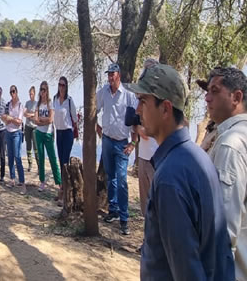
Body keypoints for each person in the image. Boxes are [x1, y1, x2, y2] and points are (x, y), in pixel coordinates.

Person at [125, 64, 235, 281]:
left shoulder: (170, 177)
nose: (137, 110)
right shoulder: (197, 157)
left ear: (165, 108)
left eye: (143, 101)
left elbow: (186, 267)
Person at [205, 67, 247, 281]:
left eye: (214, 91)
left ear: (236, 97)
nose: (207, 98)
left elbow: (223, 226)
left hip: (227, 272)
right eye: (207, 91)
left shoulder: (232, 145)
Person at [95, 63, 137, 235]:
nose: (110, 78)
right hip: (106, 140)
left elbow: (135, 119)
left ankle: (124, 218)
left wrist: (133, 143)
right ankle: (112, 209)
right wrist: (97, 126)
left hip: (121, 143)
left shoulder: (128, 96)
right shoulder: (104, 92)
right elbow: (94, 107)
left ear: (119, 75)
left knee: (122, 180)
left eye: (113, 74)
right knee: (110, 176)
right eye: (109, 75)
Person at [135, 59, 160, 217]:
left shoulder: (161, 96)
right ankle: (147, 236)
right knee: (145, 203)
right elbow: (135, 118)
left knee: (157, 202)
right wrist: (138, 128)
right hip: (143, 155)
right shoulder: (142, 96)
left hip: (156, 157)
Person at [53, 76, 77, 201]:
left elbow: (75, 118)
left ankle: (65, 190)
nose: (61, 87)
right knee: (60, 159)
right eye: (59, 84)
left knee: (65, 161)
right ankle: (62, 187)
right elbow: (53, 115)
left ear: (66, 86)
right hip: (59, 132)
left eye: (63, 85)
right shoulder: (55, 99)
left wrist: (74, 130)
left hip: (67, 132)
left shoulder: (69, 100)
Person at [34, 81, 61, 192]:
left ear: (47, 91)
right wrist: (41, 121)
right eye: (41, 89)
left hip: (48, 134)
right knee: (41, 157)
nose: (42, 92)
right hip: (39, 133)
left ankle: (59, 183)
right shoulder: (38, 104)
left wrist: (42, 120)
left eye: (44, 90)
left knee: (52, 158)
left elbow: (50, 119)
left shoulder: (50, 103)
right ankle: (42, 181)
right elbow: (36, 120)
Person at [3, 85, 26, 194]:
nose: (12, 94)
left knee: (17, 156)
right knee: (10, 156)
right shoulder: (8, 105)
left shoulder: (20, 105)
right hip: (8, 132)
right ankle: (12, 179)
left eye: (14, 91)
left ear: (17, 92)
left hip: (17, 133)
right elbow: (4, 118)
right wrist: (10, 119)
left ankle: (22, 182)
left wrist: (11, 119)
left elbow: (19, 121)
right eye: (11, 92)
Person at [23, 86, 39, 172]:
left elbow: (36, 114)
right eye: (29, 94)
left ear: (34, 94)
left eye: (32, 94)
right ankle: (30, 164)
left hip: (35, 127)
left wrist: (31, 115)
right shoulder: (27, 103)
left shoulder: (37, 104)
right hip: (27, 126)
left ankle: (39, 165)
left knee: (36, 147)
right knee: (28, 146)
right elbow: (24, 113)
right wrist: (30, 115)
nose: (30, 95)